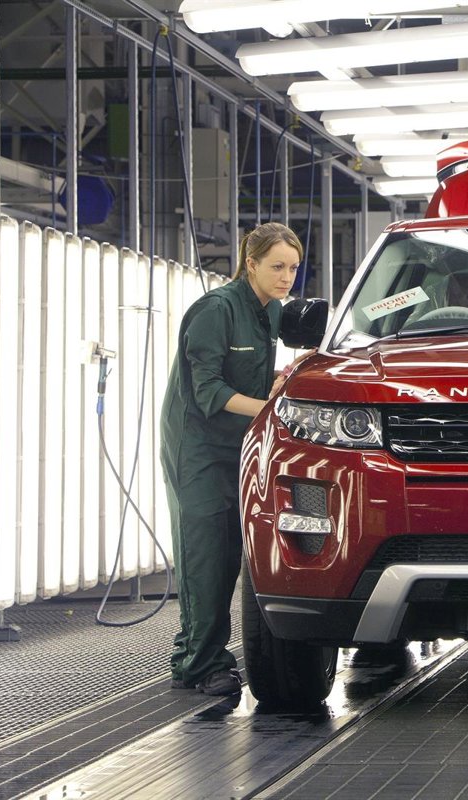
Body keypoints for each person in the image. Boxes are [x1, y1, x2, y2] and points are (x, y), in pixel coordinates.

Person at [160, 222, 302, 696]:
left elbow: (252, 370)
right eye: (277, 267)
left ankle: (191, 657)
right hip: (197, 445)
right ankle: (204, 665)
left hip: (238, 443)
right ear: (251, 263)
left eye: (293, 268)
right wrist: (270, 407)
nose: (286, 277)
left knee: (230, 552)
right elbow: (209, 391)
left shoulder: (272, 311)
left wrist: (282, 378)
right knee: (206, 552)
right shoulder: (214, 310)